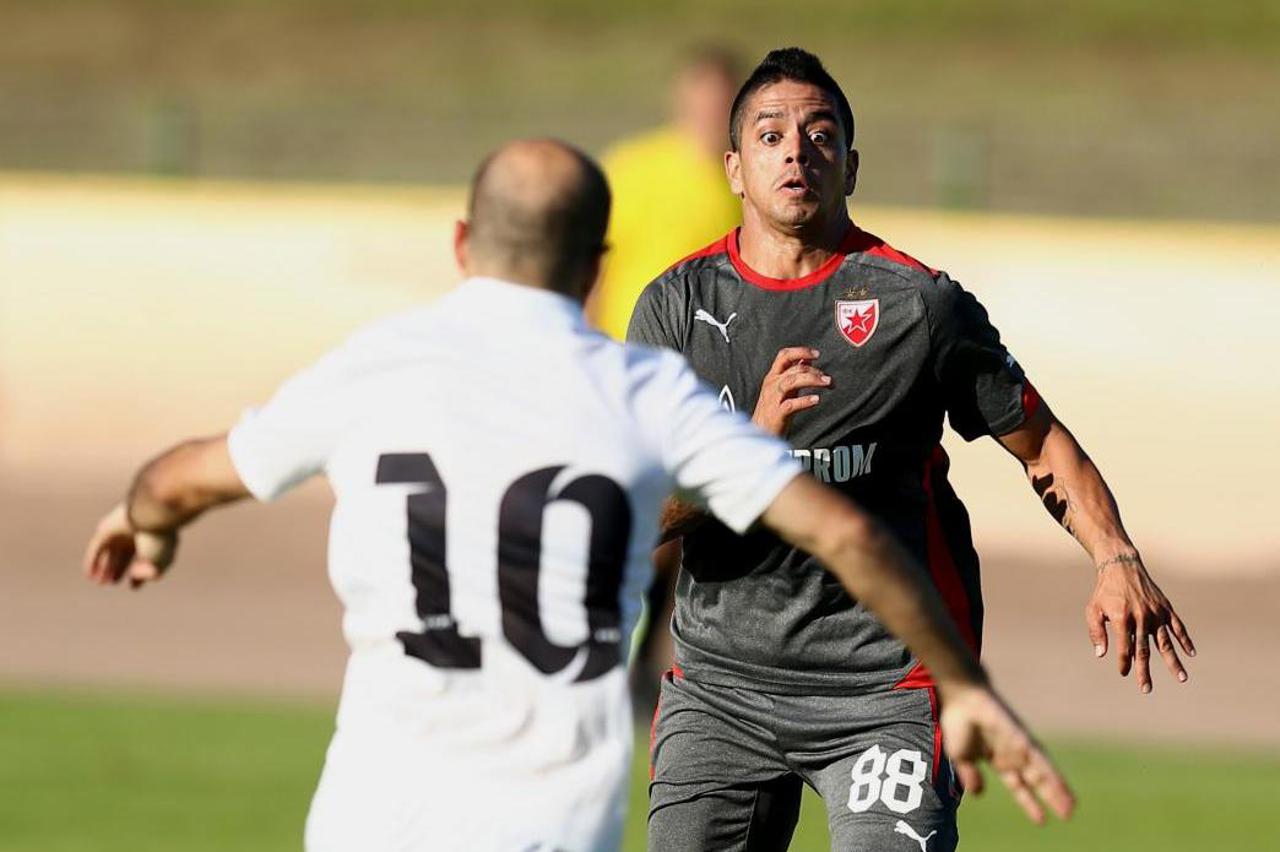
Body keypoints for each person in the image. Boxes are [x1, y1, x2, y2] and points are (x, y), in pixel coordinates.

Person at [83, 139, 1071, 851]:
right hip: (548, 821)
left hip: (371, 817)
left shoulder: (374, 369)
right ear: (597, 268)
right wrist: (961, 686)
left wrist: (144, 522)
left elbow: (181, 478)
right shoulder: (643, 396)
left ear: (462, 243)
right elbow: (848, 539)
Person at [629, 49, 1195, 851]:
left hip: (884, 687)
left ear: (852, 166)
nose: (797, 153)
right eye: (771, 135)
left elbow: (1041, 443)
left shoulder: (917, 305)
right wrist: (744, 454)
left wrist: (1115, 556)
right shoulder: (674, 307)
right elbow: (632, 512)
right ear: (734, 168)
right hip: (720, 689)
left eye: (821, 135)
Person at [588, 45, 743, 342]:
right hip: (628, 346)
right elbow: (589, 263)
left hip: (706, 350)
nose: (710, 116)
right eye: (702, 105)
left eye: (721, 106)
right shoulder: (631, 168)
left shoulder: (750, 180)